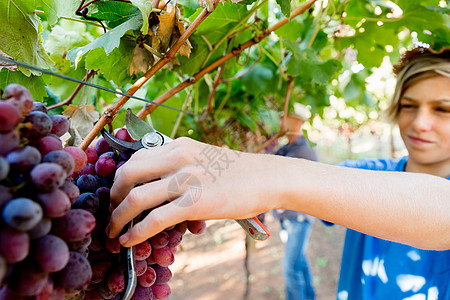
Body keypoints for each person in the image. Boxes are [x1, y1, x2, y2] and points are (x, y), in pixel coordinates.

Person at [107, 45, 450, 267]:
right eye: (408, 106)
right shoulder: (374, 171)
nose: (420, 122)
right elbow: (327, 185)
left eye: (443, 109)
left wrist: (270, 175)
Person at [272, 104, 318, 300]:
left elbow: (276, 175)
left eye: (285, 117)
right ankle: (310, 296)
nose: (281, 121)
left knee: (290, 270)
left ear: (297, 122)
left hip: (298, 218)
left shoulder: (303, 152)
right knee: (299, 261)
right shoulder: (287, 148)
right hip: (288, 218)